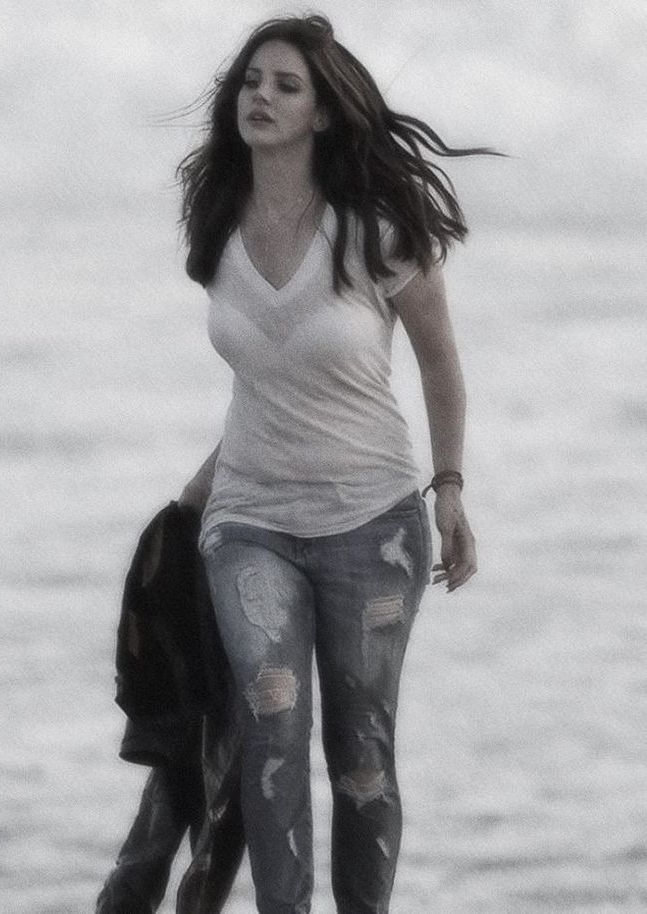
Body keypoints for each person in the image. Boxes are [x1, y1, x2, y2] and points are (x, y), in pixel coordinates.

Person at [176, 14, 486, 914]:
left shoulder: (376, 230)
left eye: (284, 86)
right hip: (249, 523)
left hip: (371, 524)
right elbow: (263, 381)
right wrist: (193, 496)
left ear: (320, 113)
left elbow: (440, 362)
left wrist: (452, 489)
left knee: (359, 755)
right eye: (250, 82)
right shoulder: (217, 224)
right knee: (271, 729)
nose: (260, 97)